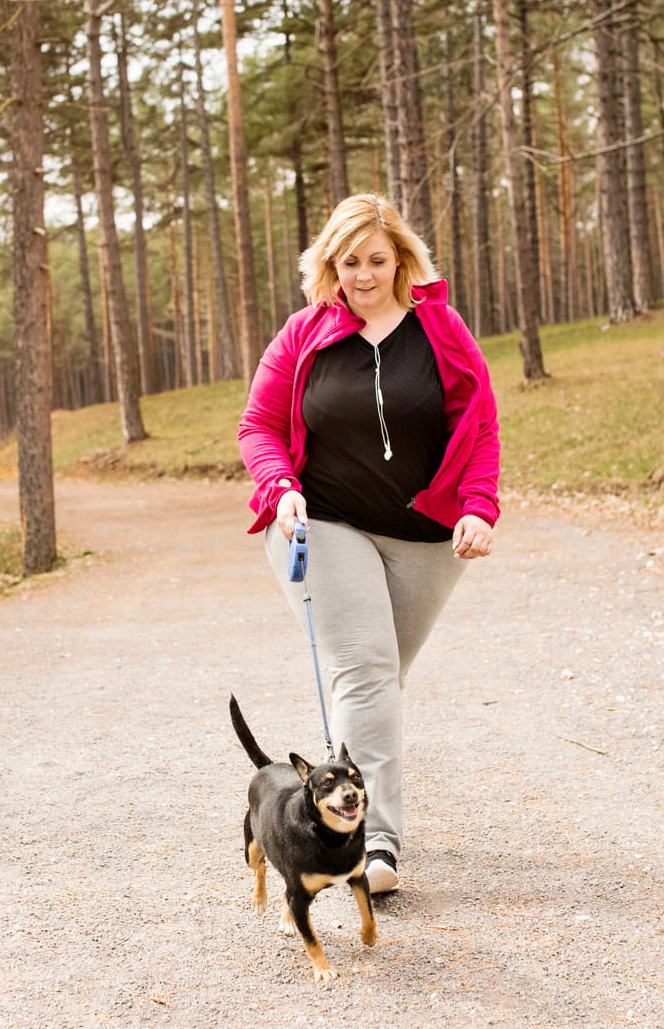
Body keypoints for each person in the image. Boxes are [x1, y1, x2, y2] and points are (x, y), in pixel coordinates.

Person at [238, 193, 500, 894]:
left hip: (423, 536)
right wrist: (280, 486)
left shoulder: (439, 330)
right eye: (348, 262)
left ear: (401, 260)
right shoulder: (303, 334)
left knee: (379, 679)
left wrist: (478, 507)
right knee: (363, 669)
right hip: (320, 521)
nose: (362, 276)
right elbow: (257, 426)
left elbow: (478, 425)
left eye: (377, 261)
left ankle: (328, 800)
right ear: (330, 263)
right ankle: (371, 845)